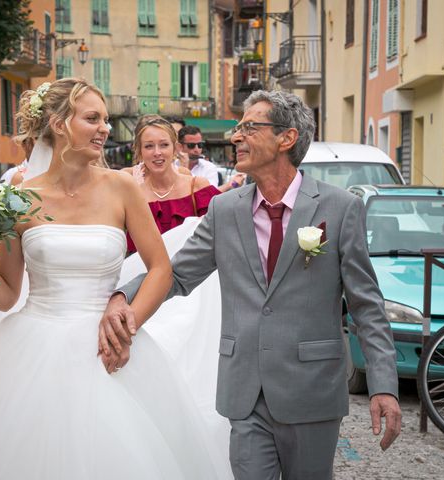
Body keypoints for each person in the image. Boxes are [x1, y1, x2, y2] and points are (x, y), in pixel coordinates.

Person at [0, 78, 232, 479]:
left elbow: (161, 269)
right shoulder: (21, 199)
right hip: (33, 343)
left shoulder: (122, 188)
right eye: (93, 119)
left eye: (106, 120)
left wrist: (128, 325)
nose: (105, 128)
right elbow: (8, 293)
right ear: (60, 124)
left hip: (109, 343)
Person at [101, 90, 402, 480]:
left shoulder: (340, 208)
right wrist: (122, 295)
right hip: (244, 392)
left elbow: (366, 306)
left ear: (286, 138)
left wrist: (383, 384)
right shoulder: (224, 210)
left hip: (312, 390)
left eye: (248, 127)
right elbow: (175, 275)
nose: (235, 136)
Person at [124, 115, 220, 253]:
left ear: (175, 149)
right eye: (149, 146)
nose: (157, 152)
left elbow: (224, 231)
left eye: (164, 145)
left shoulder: (197, 187)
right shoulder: (130, 190)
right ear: (140, 152)